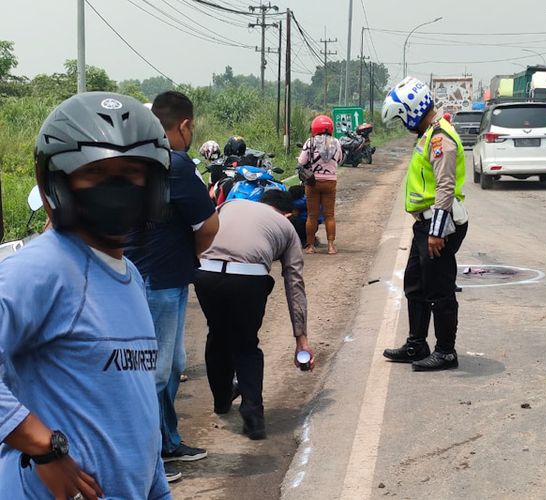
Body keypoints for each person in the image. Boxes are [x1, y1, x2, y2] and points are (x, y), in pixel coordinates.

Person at [0, 92, 171, 497]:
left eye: (131, 173)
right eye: (95, 174)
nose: (116, 188)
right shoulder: (41, 268)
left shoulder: (128, 274)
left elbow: (135, 402)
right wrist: (43, 445)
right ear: (58, 184)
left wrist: (157, 488)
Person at [126, 90, 219, 481]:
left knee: (173, 365)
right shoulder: (175, 162)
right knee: (157, 371)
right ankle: (147, 459)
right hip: (158, 280)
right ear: (182, 126)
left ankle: (167, 441)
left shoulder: (138, 159)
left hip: (158, 277)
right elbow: (209, 226)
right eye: (191, 128)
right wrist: (190, 253)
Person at [194, 190, 313, 439]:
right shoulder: (287, 228)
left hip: (206, 273)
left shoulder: (231, 204)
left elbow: (201, 230)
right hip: (248, 280)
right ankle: (253, 416)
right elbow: (294, 283)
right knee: (246, 345)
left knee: (216, 335)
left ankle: (222, 400)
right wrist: (301, 339)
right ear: (288, 214)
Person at [380, 77, 470, 371]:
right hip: (426, 224)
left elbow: (445, 187)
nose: (403, 124)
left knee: (439, 289)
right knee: (415, 285)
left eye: (402, 118)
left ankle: (446, 352)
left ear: (411, 112)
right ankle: (416, 344)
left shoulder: (440, 137)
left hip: (440, 225)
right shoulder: (429, 134)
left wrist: (435, 232)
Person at [298, 115, 342, 255]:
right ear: (330, 128)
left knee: (312, 216)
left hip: (312, 182)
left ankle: (310, 246)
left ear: (314, 128)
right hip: (330, 182)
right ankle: (330, 246)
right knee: (329, 215)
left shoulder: (310, 142)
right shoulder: (336, 142)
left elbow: (302, 161)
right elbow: (340, 159)